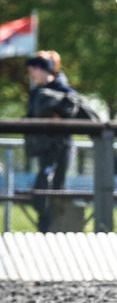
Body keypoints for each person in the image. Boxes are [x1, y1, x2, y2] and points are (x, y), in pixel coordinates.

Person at [24, 51, 74, 233]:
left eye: (33, 70)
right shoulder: (36, 92)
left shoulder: (62, 89)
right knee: (43, 182)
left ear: (42, 69)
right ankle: (44, 226)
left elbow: (72, 108)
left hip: (60, 147)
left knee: (55, 184)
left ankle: (56, 228)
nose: (31, 75)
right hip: (44, 147)